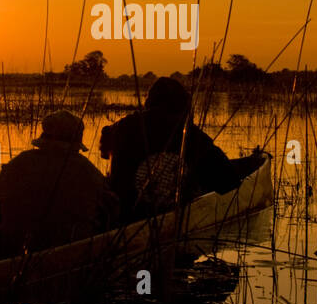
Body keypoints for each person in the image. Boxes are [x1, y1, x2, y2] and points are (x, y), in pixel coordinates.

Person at [99, 76, 264, 218]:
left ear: (149, 103)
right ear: (183, 106)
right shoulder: (191, 136)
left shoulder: (120, 128)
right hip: (165, 216)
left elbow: (105, 151)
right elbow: (228, 182)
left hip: (122, 215)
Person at [0, 110, 119, 256]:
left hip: (13, 253)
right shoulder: (90, 172)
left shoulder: (18, 164)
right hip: (72, 256)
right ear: (77, 142)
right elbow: (113, 213)